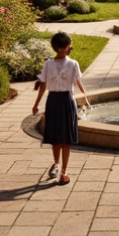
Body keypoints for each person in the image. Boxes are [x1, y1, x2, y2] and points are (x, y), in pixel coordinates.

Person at [32, 31, 88, 185]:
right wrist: (36, 104)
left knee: (67, 139)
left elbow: (77, 82)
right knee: (56, 137)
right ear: (59, 48)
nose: (69, 49)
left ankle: (64, 171)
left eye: (69, 46)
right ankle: (56, 165)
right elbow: (43, 85)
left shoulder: (73, 64)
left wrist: (85, 96)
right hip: (53, 101)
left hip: (67, 101)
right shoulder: (48, 64)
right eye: (68, 46)